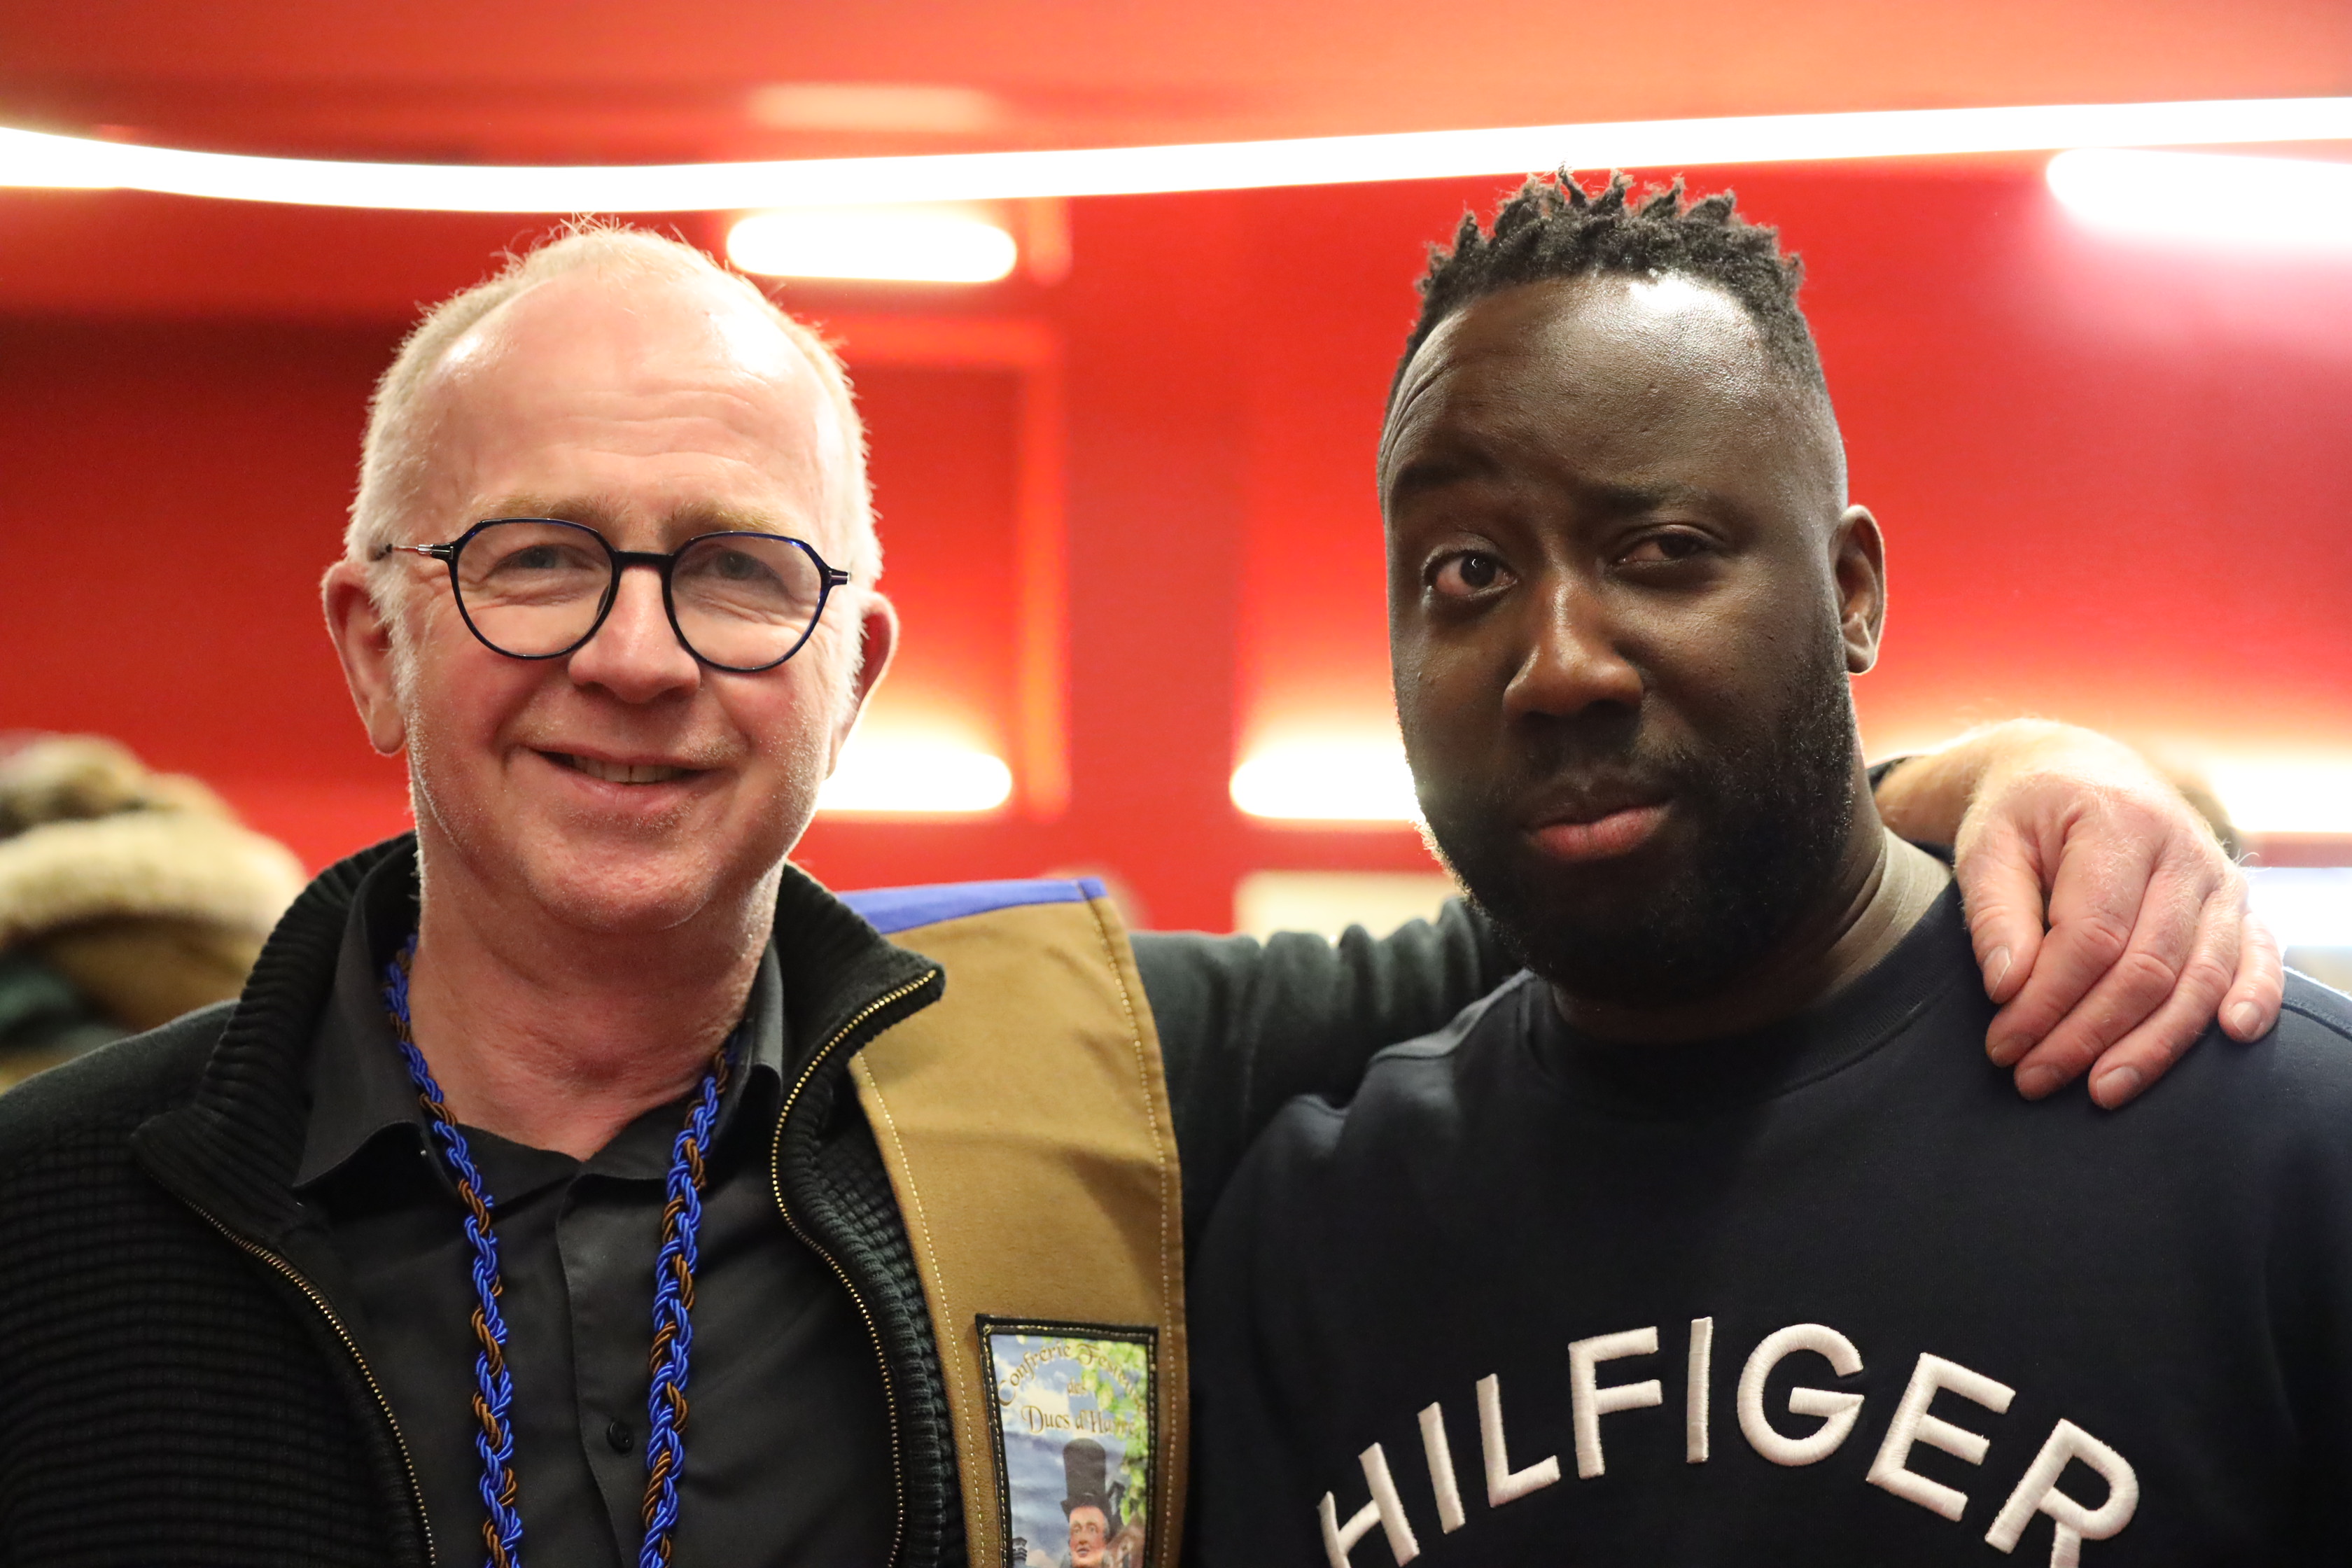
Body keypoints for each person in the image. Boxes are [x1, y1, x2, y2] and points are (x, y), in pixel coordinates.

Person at [0, 223, 2276, 1568]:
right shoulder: (54, 1228)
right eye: (538, 561)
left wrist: (2014, 772)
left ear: (855, 667)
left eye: (738, 574)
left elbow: (1618, 880)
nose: (640, 654)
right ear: (374, 636)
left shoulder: (1085, 1081)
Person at [1187, 174, 2352, 1566]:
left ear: (1852, 592)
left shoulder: (2276, 1148)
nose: (1559, 665)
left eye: (1663, 550)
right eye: (1467, 573)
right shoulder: (1315, 1236)